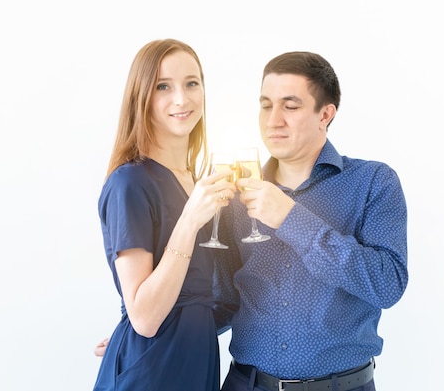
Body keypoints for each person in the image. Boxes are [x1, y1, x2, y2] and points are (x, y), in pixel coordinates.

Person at [215, 51, 409, 391]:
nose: (273, 120)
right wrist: (148, 335)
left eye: (290, 106)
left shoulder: (374, 182)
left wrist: (291, 218)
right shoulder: (236, 196)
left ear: (326, 114)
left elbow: (387, 284)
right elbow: (221, 300)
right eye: (265, 105)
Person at [92, 38, 236, 391]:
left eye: (192, 83)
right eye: (163, 87)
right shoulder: (130, 183)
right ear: (141, 97)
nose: (181, 99)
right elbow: (144, 318)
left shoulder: (201, 183)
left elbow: (208, 299)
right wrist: (189, 221)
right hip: (153, 374)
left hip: (195, 361)